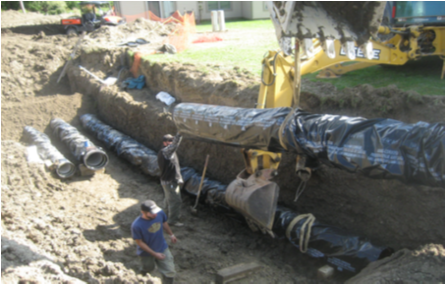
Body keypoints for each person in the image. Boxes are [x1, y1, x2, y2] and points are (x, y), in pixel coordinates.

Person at [131, 200, 177, 284]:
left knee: (169, 271)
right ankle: (141, 279)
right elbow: (140, 242)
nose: (155, 214)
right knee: (148, 268)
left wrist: (171, 235)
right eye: (152, 213)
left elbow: (164, 222)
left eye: (155, 211)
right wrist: (155, 254)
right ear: (143, 212)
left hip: (162, 247)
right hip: (146, 253)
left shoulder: (159, 213)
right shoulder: (137, 225)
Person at [157, 133, 184, 227]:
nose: (171, 142)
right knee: (175, 201)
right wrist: (180, 134)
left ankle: (163, 217)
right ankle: (172, 220)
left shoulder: (168, 152)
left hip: (168, 181)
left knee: (168, 200)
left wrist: (179, 178)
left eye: (172, 140)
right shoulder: (166, 151)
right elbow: (174, 145)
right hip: (170, 181)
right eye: (169, 141)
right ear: (165, 143)